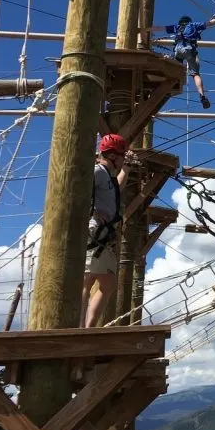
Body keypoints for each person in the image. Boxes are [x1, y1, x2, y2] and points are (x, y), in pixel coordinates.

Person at [80, 133, 134, 328]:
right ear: (113, 156)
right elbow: (79, 191)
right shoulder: (97, 172)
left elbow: (115, 190)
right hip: (95, 230)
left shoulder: (107, 176)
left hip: (101, 233)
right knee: (90, 281)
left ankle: (86, 327)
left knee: (103, 281)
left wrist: (126, 170)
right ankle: (81, 328)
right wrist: (92, 212)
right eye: (120, 157)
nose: (121, 161)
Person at [148, 12, 215, 109]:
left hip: (178, 50)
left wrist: (145, 30)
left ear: (181, 22)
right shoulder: (193, 25)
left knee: (176, 70)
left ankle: (170, 84)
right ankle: (202, 96)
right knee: (195, 74)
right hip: (189, 50)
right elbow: (210, 23)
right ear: (188, 21)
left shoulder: (176, 27)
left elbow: (160, 28)